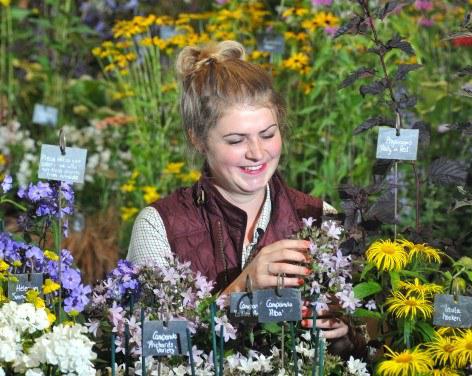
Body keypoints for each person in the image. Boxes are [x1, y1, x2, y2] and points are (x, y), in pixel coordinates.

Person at [127, 40, 350, 341]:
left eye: (268, 134)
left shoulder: (319, 217)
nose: (257, 153)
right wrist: (240, 290)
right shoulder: (159, 226)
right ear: (198, 139)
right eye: (236, 140)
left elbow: (361, 347)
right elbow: (146, 345)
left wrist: (343, 331)